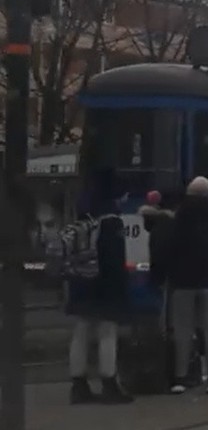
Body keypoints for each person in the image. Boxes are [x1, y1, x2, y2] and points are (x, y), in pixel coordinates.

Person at [65, 168, 133, 404]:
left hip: (81, 280)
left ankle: (78, 384)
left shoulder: (84, 215)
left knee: (81, 331)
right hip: (105, 284)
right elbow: (113, 259)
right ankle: (109, 383)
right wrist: (122, 287)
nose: (126, 198)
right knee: (107, 332)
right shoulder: (111, 221)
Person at [166, 176, 208, 394]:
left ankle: (180, 379)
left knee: (183, 331)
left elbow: (171, 246)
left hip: (183, 281)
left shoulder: (179, 216)